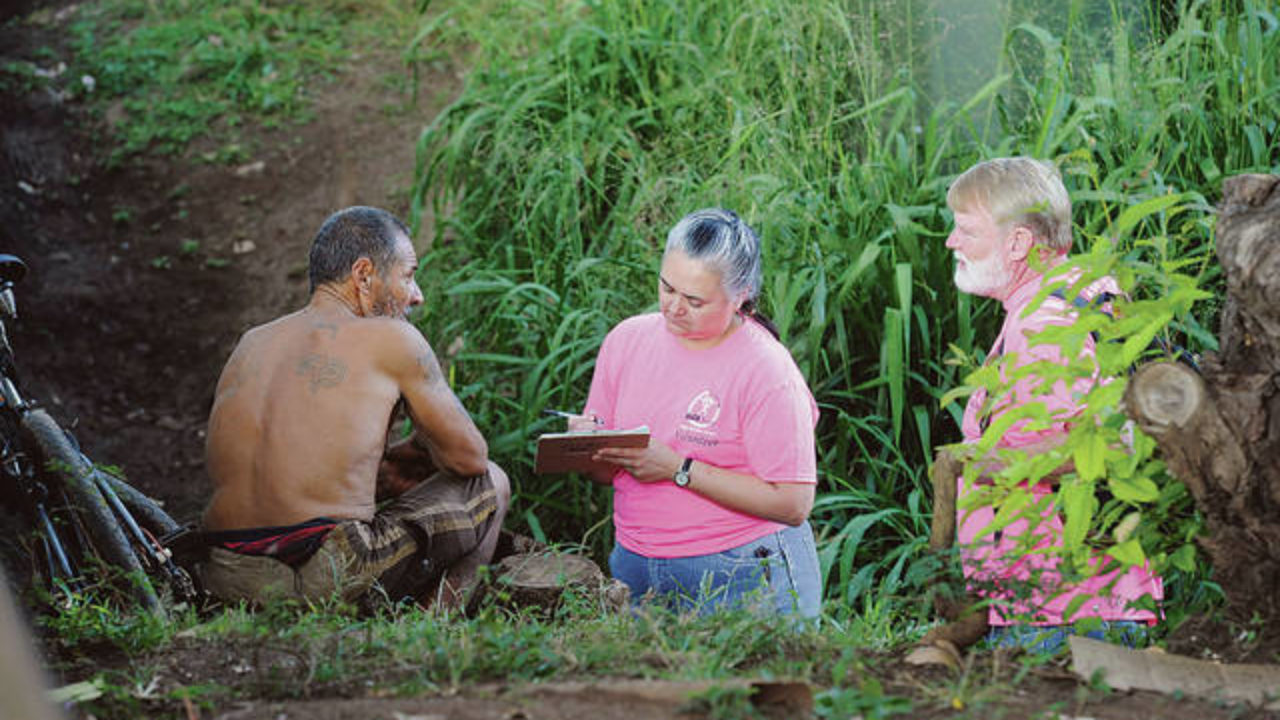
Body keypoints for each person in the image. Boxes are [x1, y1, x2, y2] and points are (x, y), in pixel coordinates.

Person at [200, 206, 510, 610]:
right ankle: (432, 629)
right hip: (326, 569)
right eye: (409, 275)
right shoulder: (394, 338)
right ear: (364, 275)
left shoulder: (251, 343)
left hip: (227, 571)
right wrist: (421, 449)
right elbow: (469, 460)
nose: (417, 295)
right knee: (493, 480)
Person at [942, 157, 1162, 652]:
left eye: (966, 231)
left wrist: (984, 464)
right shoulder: (1080, 294)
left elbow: (1096, 448)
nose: (953, 243)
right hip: (1084, 602)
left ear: (1017, 243)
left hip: (1061, 612)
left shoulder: (1044, 323)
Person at [565, 208, 822, 619]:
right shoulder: (627, 341)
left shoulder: (766, 369)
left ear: (742, 295)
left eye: (695, 301)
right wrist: (586, 444)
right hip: (636, 565)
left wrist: (676, 468)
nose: (674, 309)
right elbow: (602, 474)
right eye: (667, 289)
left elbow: (793, 503)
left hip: (741, 569)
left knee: (762, 684)